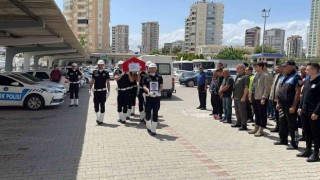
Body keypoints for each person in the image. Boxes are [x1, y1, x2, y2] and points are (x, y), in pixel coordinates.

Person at [275, 60, 302, 150]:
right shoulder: (285, 76)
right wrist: (278, 102)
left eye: (285, 66)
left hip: (290, 105)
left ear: (291, 66)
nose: (283, 68)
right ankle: (283, 139)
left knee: (292, 124)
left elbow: (298, 93)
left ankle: (294, 143)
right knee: (282, 122)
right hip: (282, 104)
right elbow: (280, 91)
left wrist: (294, 106)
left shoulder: (296, 77)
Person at [297, 62, 320, 162]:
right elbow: (303, 96)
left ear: (314, 70)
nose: (305, 71)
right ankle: (308, 149)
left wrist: (316, 112)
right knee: (307, 132)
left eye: (307, 69)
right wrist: (300, 107)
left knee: (316, 134)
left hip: (314, 113)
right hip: (304, 111)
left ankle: (316, 154)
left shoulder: (319, 82)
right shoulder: (307, 81)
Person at [248, 62, 271, 136]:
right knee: (256, 113)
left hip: (261, 97)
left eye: (256, 66)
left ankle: (261, 130)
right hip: (255, 96)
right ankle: (256, 127)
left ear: (261, 67)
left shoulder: (265, 75)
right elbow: (253, 86)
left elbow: (267, 88)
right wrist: (250, 95)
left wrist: (264, 97)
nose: (254, 67)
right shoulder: (256, 74)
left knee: (262, 114)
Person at [143, 63, 163, 136]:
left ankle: (153, 129)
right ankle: (148, 126)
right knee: (148, 113)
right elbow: (144, 86)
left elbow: (161, 86)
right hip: (148, 97)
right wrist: (148, 91)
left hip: (156, 98)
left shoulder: (159, 76)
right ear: (149, 69)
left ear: (156, 69)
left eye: (154, 68)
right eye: (151, 68)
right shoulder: (146, 76)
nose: (152, 69)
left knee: (155, 113)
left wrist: (159, 91)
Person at [89, 60, 110, 125]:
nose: (100, 66)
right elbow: (92, 81)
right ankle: (98, 117)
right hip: (96, 91)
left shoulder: (106, 72)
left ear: (103, 65)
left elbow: (108, 82)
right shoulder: (94, 72)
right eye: (99, 64)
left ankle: (101, 119)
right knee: (96, 105)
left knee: (102, 105)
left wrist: (108, 91)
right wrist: (90, 89)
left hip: (103, 91)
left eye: (101, 64)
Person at [232, 63, 249, 130]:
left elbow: (246, 88)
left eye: (237, 68)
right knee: (237, 110)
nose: (236, 69)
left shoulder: (245, 76)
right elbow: (235, 86)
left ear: (242, 68)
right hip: (236, 96)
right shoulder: (238, 76)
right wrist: (233, 95)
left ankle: (244, 125)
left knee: (242, 111)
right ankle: (238, 122)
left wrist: (244, 97)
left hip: (241, 97)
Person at [269, 64, 284, 132]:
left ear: (282, 67)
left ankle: (283, 128)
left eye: (278, 67)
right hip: (274, 98)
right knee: (277, 114)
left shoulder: (285, 76)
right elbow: (273, 86)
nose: (276, 68)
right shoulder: (276, 75)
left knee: (281, 115)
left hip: (280, 99)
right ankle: (278, 126)